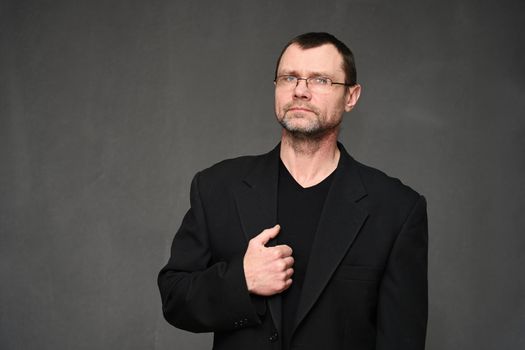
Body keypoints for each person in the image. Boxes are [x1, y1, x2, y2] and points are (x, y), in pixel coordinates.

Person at [158, 32, 428, 350]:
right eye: (289, 78)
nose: (300, 91)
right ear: (276, 88)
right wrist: (240, 282)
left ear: (351, 96)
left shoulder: (396, 208)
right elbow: (175, 297)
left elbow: (402, 339)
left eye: (320, 80)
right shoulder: (217, 186)